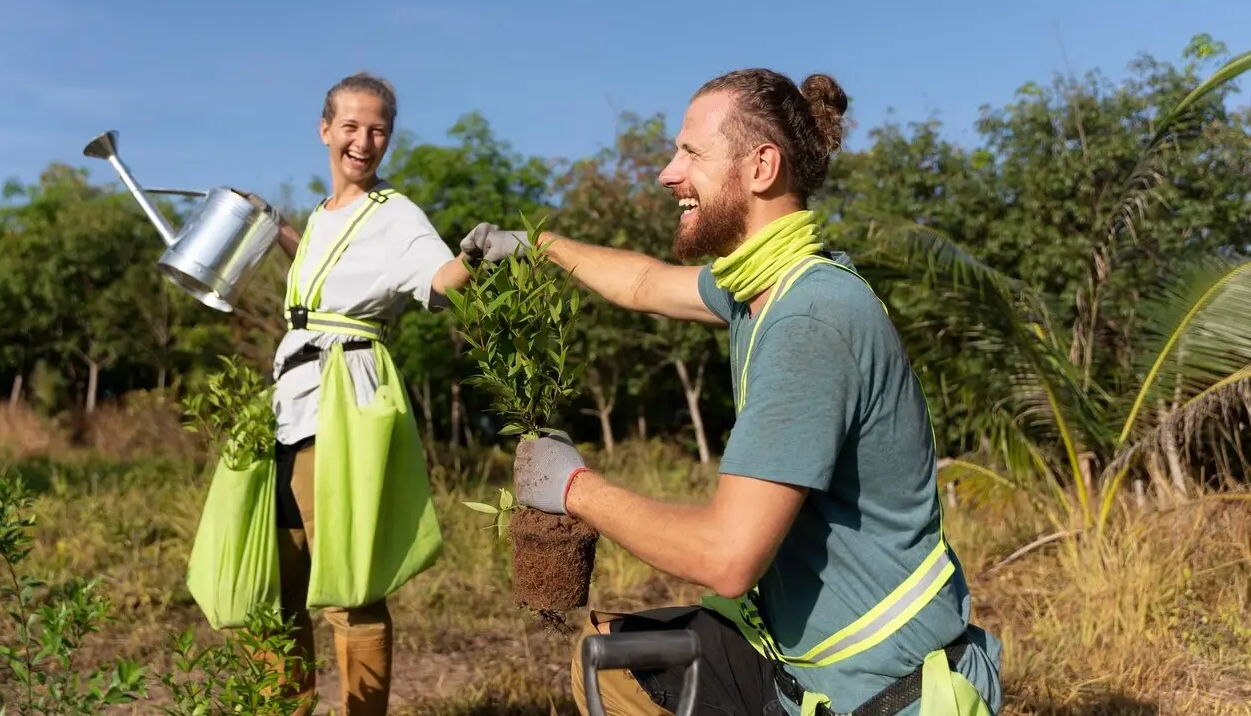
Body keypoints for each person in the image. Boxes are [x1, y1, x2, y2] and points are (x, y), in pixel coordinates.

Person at [460, 68, 1004, 716]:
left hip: (879, 689)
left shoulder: (808, 321)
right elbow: (644, 284)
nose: (667, 173)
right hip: (801, 655)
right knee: (610, 664)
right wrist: (539, 246)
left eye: (690, 153)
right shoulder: (763, 288)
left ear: (761, 166)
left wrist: (573, 487)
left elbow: (726, 557)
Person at [247, 71, 473, 716]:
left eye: (378, 130)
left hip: (343, 409)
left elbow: (437, 279)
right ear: (325, 131)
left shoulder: (396, 214)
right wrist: (280, 229)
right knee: (280, 582)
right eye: (351, 126)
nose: (363, 140)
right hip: (285, 408)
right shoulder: (321, 219)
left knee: (348, 585)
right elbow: (323, 282)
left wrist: (479, 255)